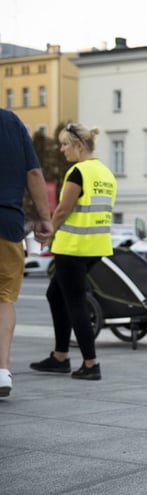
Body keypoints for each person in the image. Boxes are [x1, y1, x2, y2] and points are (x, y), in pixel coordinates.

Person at [30, 123, 116, 381]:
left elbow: (63, 209)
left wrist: (48, 233)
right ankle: (59, 357)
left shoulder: (78, 172)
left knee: (75, 301)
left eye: (65, 144)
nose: (61, 149)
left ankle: (90, 364)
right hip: (96, 246)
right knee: (55, 294)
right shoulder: (105, 173)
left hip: (73, 247)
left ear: (79, 145)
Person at [0, 108, 53, 397]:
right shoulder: (11, 122)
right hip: (6, 224)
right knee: (3, 298)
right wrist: (44, 218)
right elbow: (33, 172)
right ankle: (2, 371)